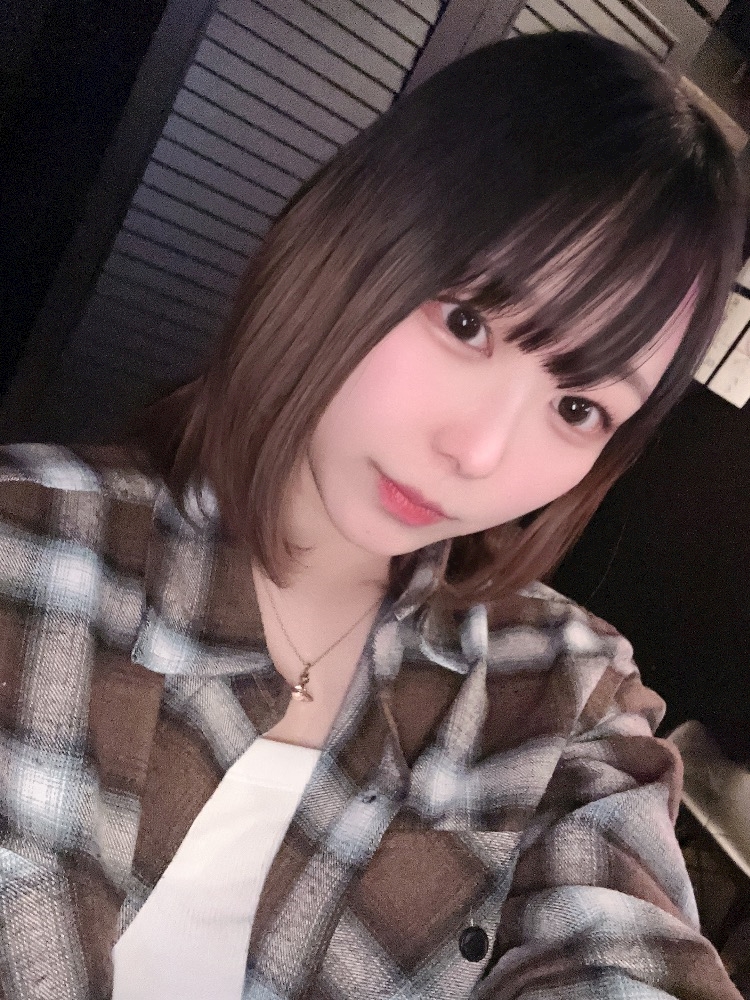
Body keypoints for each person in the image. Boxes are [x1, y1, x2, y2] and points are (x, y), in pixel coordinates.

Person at [0, 29, 745, 1000]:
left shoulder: (564, 694)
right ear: (352, 237)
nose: (479, 452)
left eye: (576, 409)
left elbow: (621, 957)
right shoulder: (27, 550)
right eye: (468, 323)